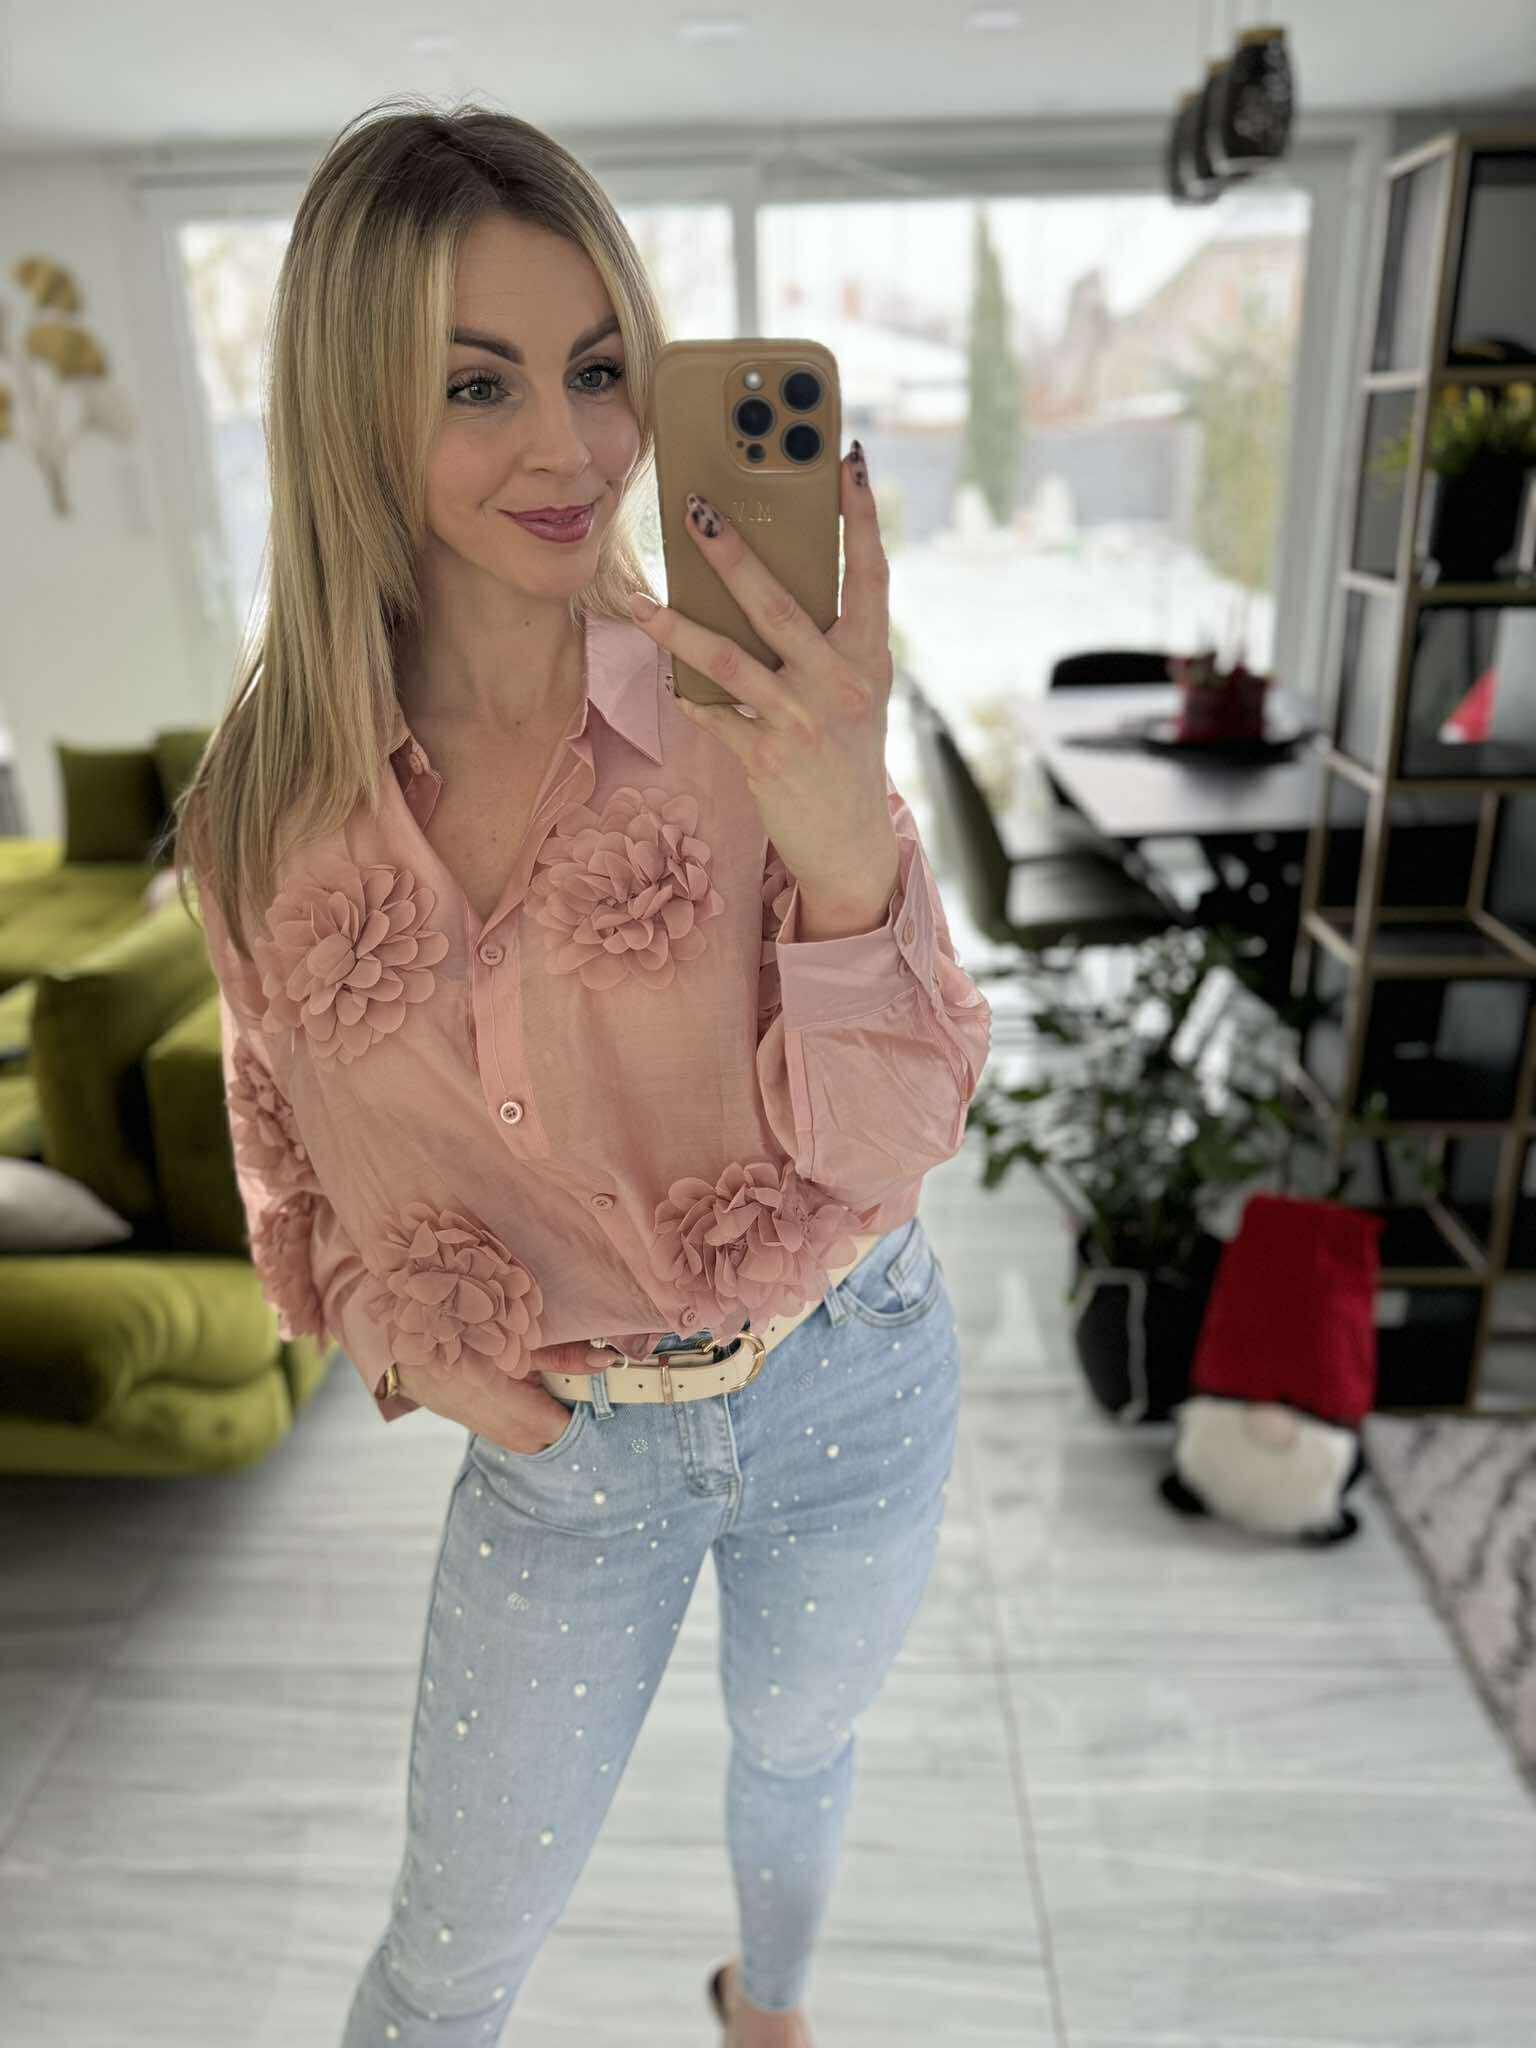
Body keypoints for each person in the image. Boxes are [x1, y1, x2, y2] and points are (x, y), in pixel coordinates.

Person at [170, 95, 992, 2048]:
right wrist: (414, 1346)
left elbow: (896, 1141)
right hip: (567, 1454)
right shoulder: (260, 817)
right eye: (478, 385)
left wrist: (844, 843)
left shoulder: (745, 718)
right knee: (449, 1955)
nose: (573, 447)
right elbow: (287, 1158)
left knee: (797, 1747)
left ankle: (767, 2004)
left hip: (850, 1367)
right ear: (351, 410)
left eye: (603, 369)